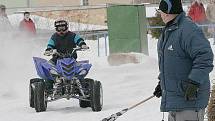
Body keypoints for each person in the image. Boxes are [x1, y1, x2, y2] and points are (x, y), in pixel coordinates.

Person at [153, 0, 214, 121]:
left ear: (167, 12)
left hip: (190, 100)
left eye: (161, 12)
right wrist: (163, 82)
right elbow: (171, 62)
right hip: (175, 100)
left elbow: (205, 57)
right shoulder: (169, 30)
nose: (160, 15)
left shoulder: (188, 30)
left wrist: (194, 82)